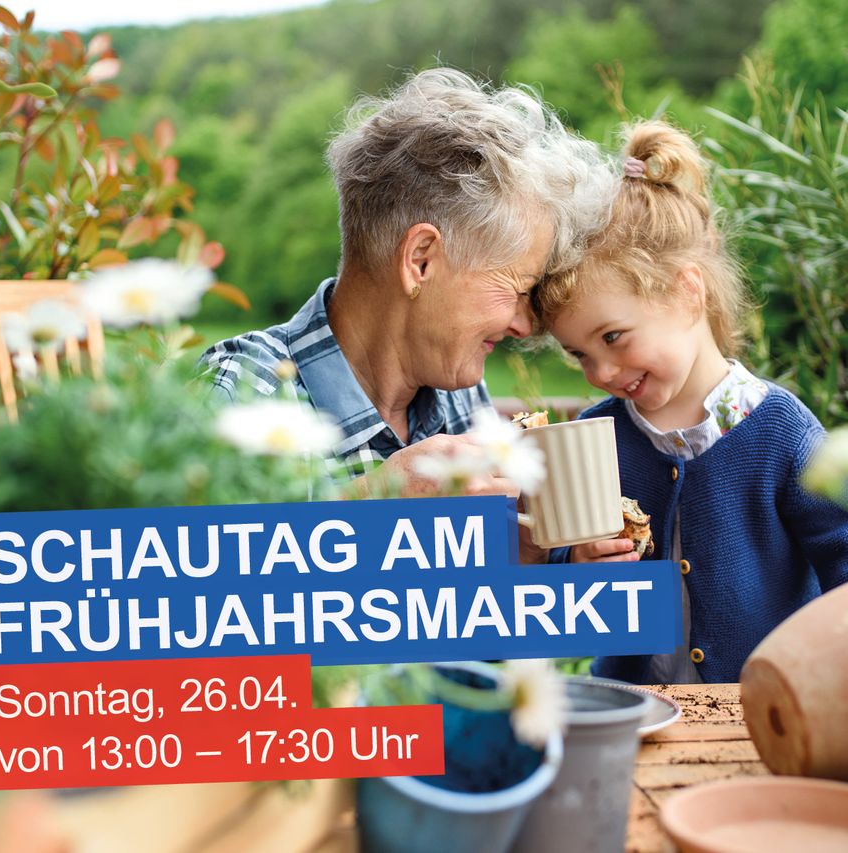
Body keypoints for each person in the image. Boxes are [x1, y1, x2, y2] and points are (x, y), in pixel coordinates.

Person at [199, 69, 613, 527]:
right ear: (420, 261)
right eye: (516, 290)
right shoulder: (244, 388)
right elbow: (164, 577)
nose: (524, 324)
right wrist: (373, 503)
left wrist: (526, 556)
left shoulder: (454, 393)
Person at [532, 120, 848, 683]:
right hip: (632, 710)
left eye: (612, 338)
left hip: (757, 719)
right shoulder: (595, 438)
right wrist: (576, 562)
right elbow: (561, 582)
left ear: (687, 291)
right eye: (579, 355)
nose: (600, 372)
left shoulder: (779, 431)